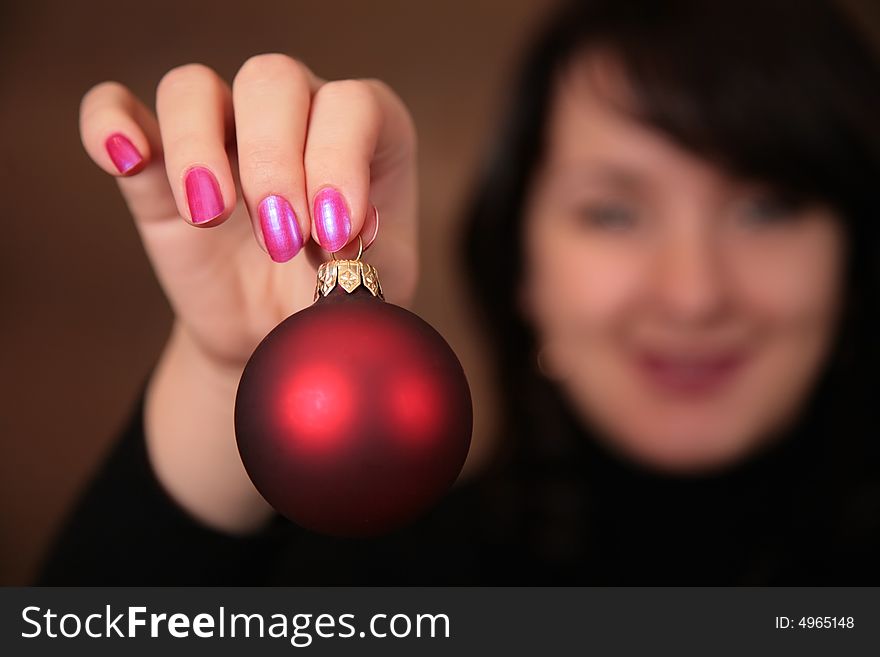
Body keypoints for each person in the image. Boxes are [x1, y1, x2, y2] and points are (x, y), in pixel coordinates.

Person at [38, 0, 880, 584]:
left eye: (768, 207)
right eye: (614, 212)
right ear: (520, 263)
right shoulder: (382, 591)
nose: (695, 294)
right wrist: (231, 368)